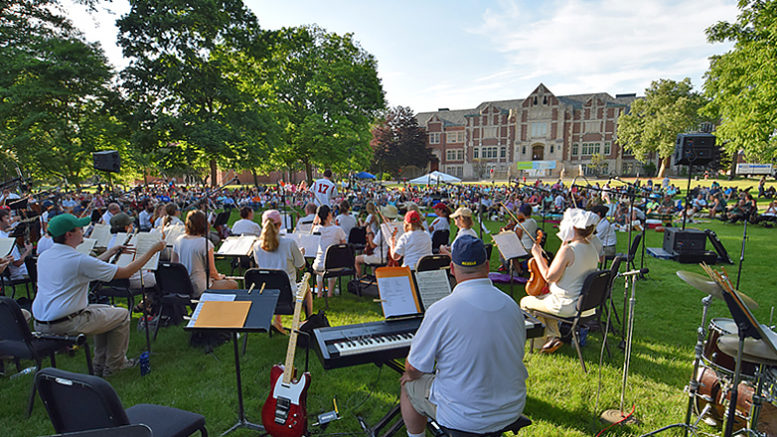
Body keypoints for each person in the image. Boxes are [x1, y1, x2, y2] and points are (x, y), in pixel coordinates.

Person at [400, 235, 527, 435]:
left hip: (465, 416)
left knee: (410, 384)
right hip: (511, 407)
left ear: (452, 268)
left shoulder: (442, 309)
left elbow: (414, 367)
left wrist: (409, 374)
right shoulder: (512, 305)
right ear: (486, 266)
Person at [32, 213, 165, 377]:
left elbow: (89, 267)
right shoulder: (77, 260)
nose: (84, 231)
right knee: (122, 315)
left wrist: (111, 252)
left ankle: (100, 364)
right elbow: (126, 272)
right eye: (80, 228)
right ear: (69, 235)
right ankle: (116, 364)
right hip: (66, 323)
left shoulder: (46, 256)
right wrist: (152, 250)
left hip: (42, 321)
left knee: (107, 310)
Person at [520, 208, 599, 353]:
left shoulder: (569, 250)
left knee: (525, 302)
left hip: (567, 305)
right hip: (585, 306)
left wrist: (537, 255)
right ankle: (552, 337)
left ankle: (539, 345)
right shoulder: (592, 247)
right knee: (544, 299)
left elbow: (549, 277)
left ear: (573, 227)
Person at [253, 209, 307, 333]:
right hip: (288, 293)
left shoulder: (256, 246)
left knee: (276, 281)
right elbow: (301, 266)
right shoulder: (289, 243)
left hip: (266, 293)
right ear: (280, 224)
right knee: (306, 287)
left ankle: (278, 322)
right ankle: (307, 323)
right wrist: (300, 254)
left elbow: (261, 265)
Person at [172, 210, 237, 298]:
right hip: (200, 286)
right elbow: (212, 272)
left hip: (182, 286)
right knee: (233, 284)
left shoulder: (178, 240)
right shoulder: (205, 243)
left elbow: (174, 265)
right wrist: (220, 277)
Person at [107, 213, 156, 290]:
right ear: (127, 227)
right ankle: (151, 300)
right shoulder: (131, 240)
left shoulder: (111, 240)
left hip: (115, 280)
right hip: (132, 279)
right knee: (160, 279)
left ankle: (149, 300)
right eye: (131, 224)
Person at [311, 205, 346, 297]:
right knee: (331, 263)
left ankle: (319, 293)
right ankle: (330, 293)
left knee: (320, 269)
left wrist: (315, 223)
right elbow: (343, 245)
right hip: (334, 264)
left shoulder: (316, 229)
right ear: (329, 215)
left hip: (319, 263)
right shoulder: (338, 230)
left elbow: (310, 239)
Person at [354, 205, 399, 277]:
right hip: (391, 257)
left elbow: (372, 245)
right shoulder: (397, 228)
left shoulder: (384, 229)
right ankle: (373, 276)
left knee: (356, 259)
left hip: (381, 257)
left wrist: (369, 233)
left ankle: (358, 280)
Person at [0, 209, 32, 281]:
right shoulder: (6, 240)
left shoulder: (4, 234)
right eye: (7, 218)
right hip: (19, 274)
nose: (10, 220)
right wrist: (28, 251)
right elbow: (17, 263)